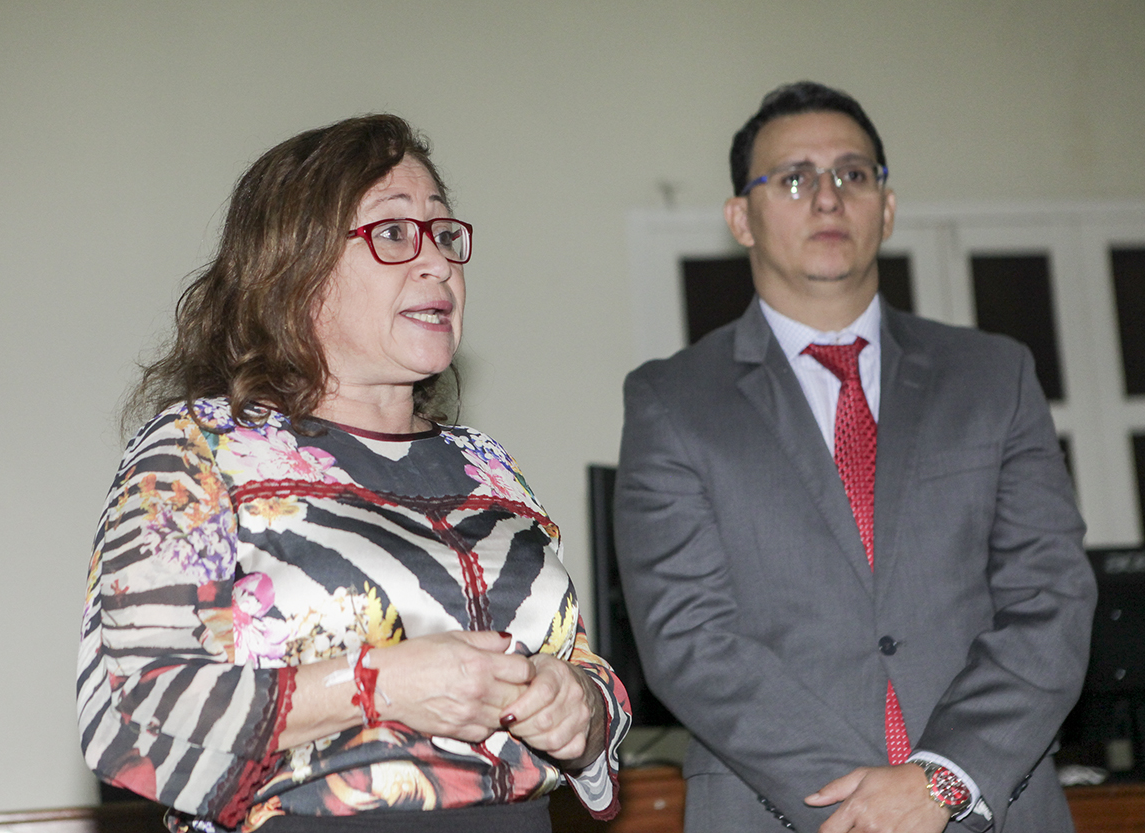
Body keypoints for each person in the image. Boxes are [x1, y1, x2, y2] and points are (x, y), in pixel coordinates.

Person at [77, 114, 630, 833]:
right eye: (393, 232)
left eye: (443, 234)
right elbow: (132, 709)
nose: (437, 263)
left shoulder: (488, 466)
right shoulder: (200, 451)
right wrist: (378, 682)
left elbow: (580, 663)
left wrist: (581, 704)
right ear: (295, 270)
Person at [614, 82, 1096, 832]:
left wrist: (939, 780)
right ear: (740, 218)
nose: (828, 197)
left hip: (990, 804)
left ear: (888, 207)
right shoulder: (672, 401)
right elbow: (688, 639)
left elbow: (1052, 596)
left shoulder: (994, 375)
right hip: (779, 812)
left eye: (854, 173)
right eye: (794, 178)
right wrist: (870, 807)